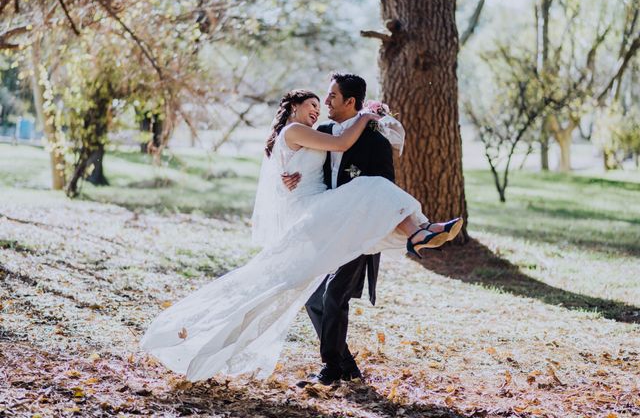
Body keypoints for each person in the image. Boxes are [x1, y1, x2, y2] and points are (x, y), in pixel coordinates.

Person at [140, 86, 462, 383]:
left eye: (320, 106)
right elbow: (340, 144)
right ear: (293, 106)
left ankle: (420, 232)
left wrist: (369, 121)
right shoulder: (295, 131)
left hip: (320, 208)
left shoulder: (310, 132)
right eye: (311, 104)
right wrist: (365, 115)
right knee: (374, 189)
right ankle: (419, 232)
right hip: (311, 210)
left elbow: (330, 153)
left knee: (306, 286)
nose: (316, 110)